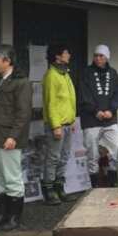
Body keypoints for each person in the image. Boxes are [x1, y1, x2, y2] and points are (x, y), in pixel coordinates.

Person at [0, 44, 32, 232]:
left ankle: (14, 218)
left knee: (12, 178)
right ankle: (2, 215)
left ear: (7, 61)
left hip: (8, 137)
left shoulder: (21, 83)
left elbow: (23, 113)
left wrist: (13, 136)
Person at [79, 44, 118, 187]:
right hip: (91, 120)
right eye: (96, 55)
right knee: (92, 153)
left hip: (110, 120)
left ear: (107, 58)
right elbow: (83, 94)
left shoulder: (113, 73)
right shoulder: (85, 73)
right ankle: (93, 185)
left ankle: (113, 181)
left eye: (101, 56)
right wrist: (95, 111)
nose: (98, 58)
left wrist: (111, 110)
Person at [41, 44, 78, 205]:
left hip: (67, 123)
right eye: (65, 52)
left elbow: (68, 100)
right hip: (57, 125)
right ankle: (49, 190)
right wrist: (56, 125)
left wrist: (72, 120)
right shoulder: (52, 75)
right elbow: (51, 103)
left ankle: (59, 187)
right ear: (57, 56)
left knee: (63, 157)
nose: (68, 54)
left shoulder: (65, 73)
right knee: (53, 157)